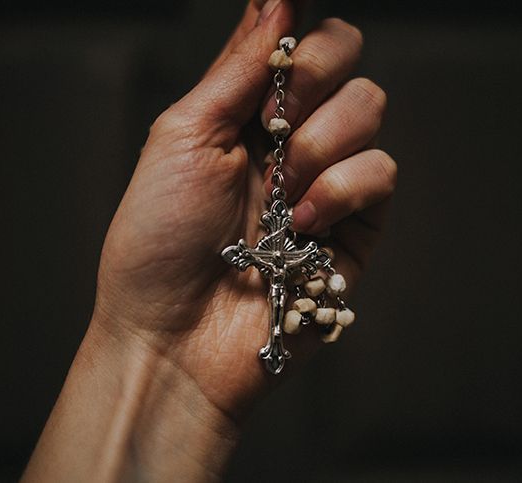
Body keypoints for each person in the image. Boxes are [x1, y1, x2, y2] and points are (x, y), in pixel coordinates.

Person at [22, 0, 396, 480]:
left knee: (277, 299)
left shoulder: (286, 253)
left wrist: (160, 362)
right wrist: (146, 340)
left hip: (270, 279)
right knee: (275, 297)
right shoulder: (266, 254)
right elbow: (254, 255)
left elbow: (283, 255)